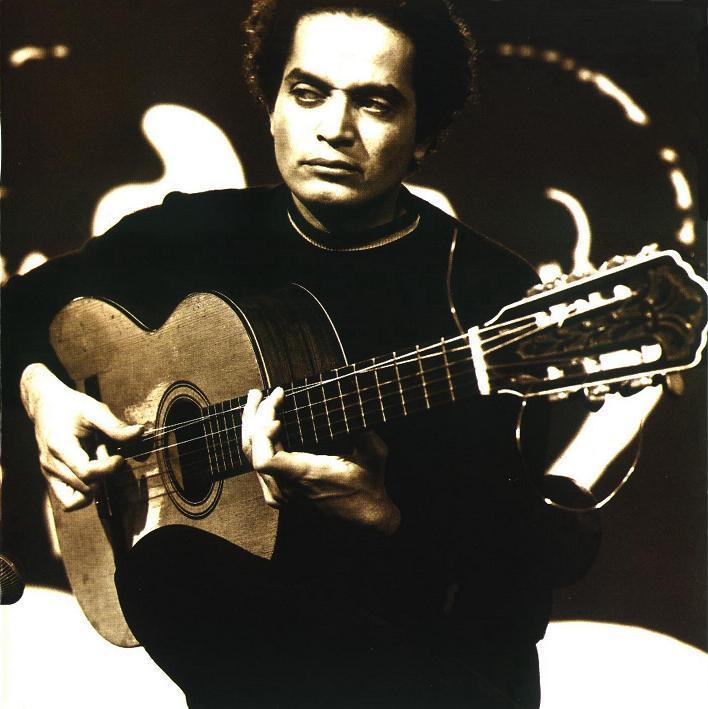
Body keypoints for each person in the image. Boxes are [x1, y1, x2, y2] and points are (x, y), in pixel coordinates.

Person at [2, 1, 599, 706]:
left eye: (374, 103)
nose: (334, 128)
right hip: (247, 640)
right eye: (308, 92)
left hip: (424, 664)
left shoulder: (491, 295)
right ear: (273, 105)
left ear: (425, 133)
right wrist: (43, 395)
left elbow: (533, 571)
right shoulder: (196, 230)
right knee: (167, 566)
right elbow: (18, 312)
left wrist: (385, 516)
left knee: (168, 569)